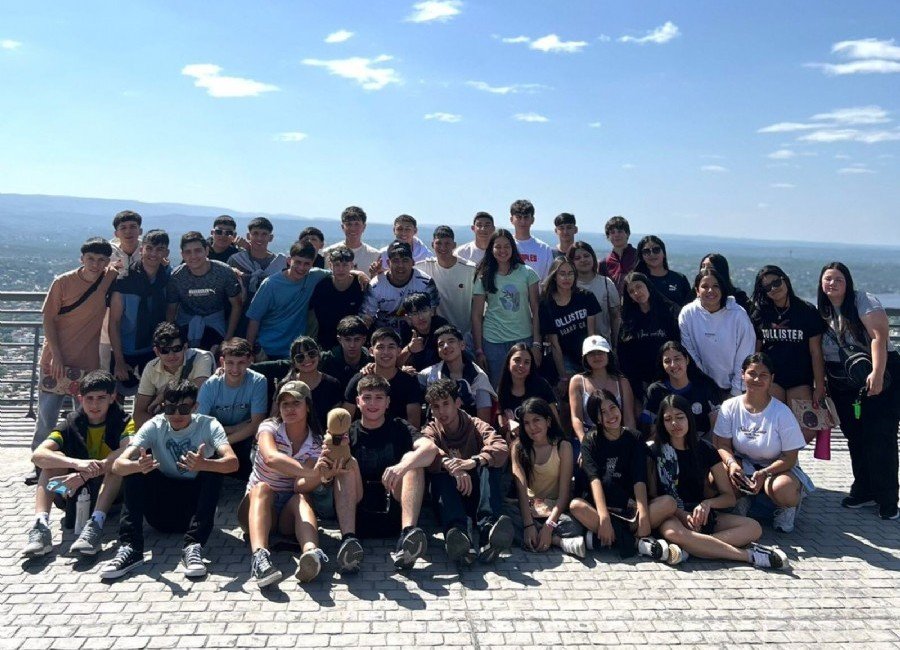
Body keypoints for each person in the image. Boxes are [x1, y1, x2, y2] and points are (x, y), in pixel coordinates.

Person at [101, 380, 238, 580]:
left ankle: (193, 546)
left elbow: (233, 463)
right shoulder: (154, 425)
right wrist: (138, 466)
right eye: (171, 409)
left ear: (195, 407)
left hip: (193, 510)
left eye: (184, 409)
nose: (176, 415)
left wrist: (204, 464)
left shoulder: (209, 424)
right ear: (163, 407)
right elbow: (118, 465)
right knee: (134, 469)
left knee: (214, 468)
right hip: (160, 511)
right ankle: (131, 548)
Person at [649, 395, 788, 569]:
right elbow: (653, 496)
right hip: (672, 515)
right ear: (662, 423)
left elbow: (729, 497)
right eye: (668, 419)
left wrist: (707, 504)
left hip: (701, 514)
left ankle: (693, 547)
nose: (675, 424)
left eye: (680, 417)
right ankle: (749, 556)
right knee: (673, 533)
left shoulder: (705, 449)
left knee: (753, 528)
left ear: (689, 418)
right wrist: (681, 514)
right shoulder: (654, 451)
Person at [329, 375, 438, 573]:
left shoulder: (400, 427)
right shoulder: (348, 432)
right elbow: (326, 467)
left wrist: (402, 466)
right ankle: (348, 541)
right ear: (358, 402)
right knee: (347, 463)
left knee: (413, 461)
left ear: (387, 402)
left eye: (379, 398)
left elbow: (430, 449)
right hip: (358, 516)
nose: (372, 403)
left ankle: (408, 538)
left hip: (395, 513)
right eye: (367, 397)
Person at [818, 262, 900, 520]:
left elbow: (879, 337)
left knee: (880, 436)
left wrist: (877, 373)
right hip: (843, 380)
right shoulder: (821, 311)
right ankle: (864, 490)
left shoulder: (862, 300)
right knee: (855, 436)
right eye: (828, 279)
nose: (832, 283)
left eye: (838, 279)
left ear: (848, 282)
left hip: (880, 373)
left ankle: (888, 499)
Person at [24, 371, 132, 557]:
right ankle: (41, 526)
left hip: (111, 496)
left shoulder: (125, 421)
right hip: (70, 491)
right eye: (89, 398)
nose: (94, 405)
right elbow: (38, 455)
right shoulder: (71, 422)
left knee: (117, 464)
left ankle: (96, 525)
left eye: (101, 398)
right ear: (81, 399)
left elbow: (130, 450)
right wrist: (77, 464)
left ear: (112, 397)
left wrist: (84, 474)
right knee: (52, 460)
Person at [238, 381, 334, 587]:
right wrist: (311, 471)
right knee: (262, 488)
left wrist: (322, 475)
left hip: (285, 517)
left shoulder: (317, 442)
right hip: (256, 506)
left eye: (296, 403)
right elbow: (271, 457)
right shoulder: (269, 427)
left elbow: (300, 485)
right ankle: (260, 558)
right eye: (285, 404)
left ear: (307, 406)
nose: (290, 409)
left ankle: (311, 554)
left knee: (302, 497)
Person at [568, 390, 679, 561]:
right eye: (603, 412)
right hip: (600, 506)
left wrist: (643, 514)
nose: (610, 415)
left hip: (630, 508)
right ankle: (636, 543)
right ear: (597, 419)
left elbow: (639, 478)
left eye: (613, 408)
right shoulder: (591, 441)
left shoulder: (634, 437)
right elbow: (594, 480)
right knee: (576, 506)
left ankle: (602, 539)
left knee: (669, 504)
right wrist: (604, 517)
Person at [31, 237, 117, 454]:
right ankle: (40, 462)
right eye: (90, 258)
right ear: (82, 258)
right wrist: (56, 357)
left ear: (107, 262)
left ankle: (79, 460)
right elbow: (48, 320)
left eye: (101, 260)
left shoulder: (108, 277)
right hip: (55, 361)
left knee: (85, 418)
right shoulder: (62, 282)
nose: (95, 264)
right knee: (47, 418)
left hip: (87, 363)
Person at [713, 353, 813, 534]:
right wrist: (732, 464)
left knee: (783, 489)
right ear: (742, 374)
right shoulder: (729, 406)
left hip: (776, 468)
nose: (757, 379)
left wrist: (765, 473)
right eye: (752, 373)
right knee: (715, 479)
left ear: (772, 379)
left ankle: (787, 507)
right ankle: (743, 500)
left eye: (763, 375)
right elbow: (722, 444)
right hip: (743, 464)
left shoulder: (782, 412)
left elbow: (790, 458)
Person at [422, 379, 513, 563]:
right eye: (436, 407)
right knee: (440, 475)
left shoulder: (476, 424)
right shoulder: (431, 430)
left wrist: (472, 462)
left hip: (477, 496)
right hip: (449, 499)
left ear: (457, 402)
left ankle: (488, 532)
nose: (442, 411)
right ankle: (459, 537)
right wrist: (451, 466)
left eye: (446, 404)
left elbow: (501, 447)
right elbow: (425, 449)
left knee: (489, 465)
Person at [751, 265, 826, 442]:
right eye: (767, 287)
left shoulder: (806, 311)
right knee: (771, 427)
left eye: (776, 282)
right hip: (771, 379)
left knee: (807, 429)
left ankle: (789, 456)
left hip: (800, 379)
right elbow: (756, 351)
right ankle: (778, 458)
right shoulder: (761, 313)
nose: (773, 288)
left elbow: (816, 352)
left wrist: (820, 386)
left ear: (785, 280)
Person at [510, 397, 585, 558]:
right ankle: (558, 541)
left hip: (553, 510)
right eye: (527, 423)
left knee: (574, 525)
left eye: (536, 420)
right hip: (527, 509)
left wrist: (549, 526)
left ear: (548, 421)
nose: (532, 427)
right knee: (504, 515)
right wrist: (528, 524)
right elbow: (521, 489)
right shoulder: (517, 447)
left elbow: (564, 495)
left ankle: (538, 538)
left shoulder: (563, 447)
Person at [472, 229, 541, 388]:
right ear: (491, 249)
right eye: (498, 246)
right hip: (493, 341)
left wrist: (537, 343)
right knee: (498, 387)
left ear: (513, 248)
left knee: (525, 386)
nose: (502, 250)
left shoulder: (527, 273)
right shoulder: (484, 276)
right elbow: (476, 315)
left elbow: (536, 310)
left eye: (506, 246)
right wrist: (479, 350)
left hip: (523, 338)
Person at [108, 230, 171, 394]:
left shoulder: (168, 281)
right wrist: (119, 361)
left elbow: (170, 316)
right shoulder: (123, 281)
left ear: (166, 253)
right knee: (116, 396)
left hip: (155, 349)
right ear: (142, 249)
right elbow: (114, 322)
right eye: (149, 248)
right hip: (125, 349)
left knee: (152, 397)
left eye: (159, 249)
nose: (153, 254)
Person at [197, 337, 268, 481]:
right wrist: (232, 429)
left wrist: (224, 442)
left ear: (249, 361)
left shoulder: (258, 381)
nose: (235, 369)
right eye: (230, 363)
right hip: (216, 436)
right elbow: (199, 424)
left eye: (241, 363)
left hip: (243, 437)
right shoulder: (210, 385)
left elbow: (256, 424)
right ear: (222, 362)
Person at [679, 268, 756, 398]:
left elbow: (745, 354)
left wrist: (736, 390)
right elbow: (689, 351)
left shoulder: (738, 314)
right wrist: (705, 382)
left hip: (735, 388)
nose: (710, 290)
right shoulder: (688, 314)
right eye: (705, 286)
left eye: (716, 286)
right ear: (697, 291)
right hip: (703, 386)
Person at [245, 242, 330, 360]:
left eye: (306, 264)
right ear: (289, 260)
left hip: (295, 352)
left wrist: (356, 273)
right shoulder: (270, 285)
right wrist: (249, 353)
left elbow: (340, 274)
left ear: (312, 264)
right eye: (298, 262)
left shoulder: (314, 276)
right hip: (267, 350)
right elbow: (254, 319)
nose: (301, 268)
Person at [166, 231, 243, 350]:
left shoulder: (224, 272)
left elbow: (237, 305)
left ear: (206, 251)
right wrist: (171, 339)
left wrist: (228, 339)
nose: (193, 256)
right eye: (188, 252)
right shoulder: (177, 276)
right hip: (186, 320)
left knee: (213, 351)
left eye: (198, 250)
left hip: (215, 320)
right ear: (182, 255)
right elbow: (171, 308)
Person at [133, 322, 215, 429]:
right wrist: (164, 432)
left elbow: (200, 389)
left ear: (185, 347)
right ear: (157, 352)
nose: (171, 355)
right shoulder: (151, 368)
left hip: (197, 423)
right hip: (164, 427)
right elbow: (139, 413)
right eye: (165, 350)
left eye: (176, 349)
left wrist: (162, 396)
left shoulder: (201, 357)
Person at [617, 272, 680, 402]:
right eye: (631, 291)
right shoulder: (628, 320)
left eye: (639, 287)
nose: (636, 292)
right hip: (642, 383)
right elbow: (624, 355)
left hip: (671, 376)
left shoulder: (670, 311)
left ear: (648, 286)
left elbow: (680, 344)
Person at [539, 256, 601, 389]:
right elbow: (554, 344)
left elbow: (591, 334)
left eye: (570, 273)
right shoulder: (546, 305)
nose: (566, 278)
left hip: (586, 353)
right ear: (554, 277)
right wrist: (563, 376)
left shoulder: (586, 297)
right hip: (564, 357)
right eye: (562, 274)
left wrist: (592, 364)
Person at [343, 328, 423, 428]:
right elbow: (344, 419)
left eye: (391, 347)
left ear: (398, 351)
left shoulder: (409, 382)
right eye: (380, 347)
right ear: (371, 351)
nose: (386, 352)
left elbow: (414, 423)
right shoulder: (359, 380)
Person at [642, 341, 721, 440]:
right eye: (667, 361)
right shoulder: (655, 390)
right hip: (668, 444)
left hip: (703, 442)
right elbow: (650, 428)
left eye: (677, 359)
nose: (673, 365)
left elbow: (717, 424)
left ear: (687, 360)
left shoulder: (704, 386)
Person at [418, 325, 496, 423]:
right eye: (441, 344)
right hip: (437, 429)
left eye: (451, 341)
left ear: (462, 345)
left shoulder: (479, 377)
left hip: (470, 429)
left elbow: (484, 421)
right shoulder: (430, 374)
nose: (446, 346)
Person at [264, 336, 345, 428]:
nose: (307, 359)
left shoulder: (333, 385)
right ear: (294, 362)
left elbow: (336, 421)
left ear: (319, 355)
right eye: (300, 357)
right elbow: (274, 418)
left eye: (312, 354)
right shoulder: (285, 385)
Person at [361, 241, 439, 332]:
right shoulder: (375, 285)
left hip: (418, 333)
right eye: (395, 261)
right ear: (388, 263)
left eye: (405, 260)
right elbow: (366, 318)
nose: (400, 265)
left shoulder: (425, 282)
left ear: (413, 262)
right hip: (385, 335)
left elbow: (432, 314)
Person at [569, 336, 636, 442]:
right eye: (591, 353)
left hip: (617, 436)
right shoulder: (577, 381)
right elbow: (576, 418)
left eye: (600, 352)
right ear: (585, 358)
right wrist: (584, 441)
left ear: (608, 354)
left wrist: (629, 442)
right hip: (590, 437)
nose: (596, 356)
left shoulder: (622, 382)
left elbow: (629, 418)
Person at [415, 226, 477, 337]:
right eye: (438, 243)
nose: (443, 247)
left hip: (464, 333)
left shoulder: (470, 269)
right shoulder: (423, 267)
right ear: (432, 245)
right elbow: (401, 271)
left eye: (447, 243)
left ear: (454, 245)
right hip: (436, 334)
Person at [310, 245, 368, 350]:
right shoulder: (322, 287)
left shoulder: (360, 285)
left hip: (354, 342)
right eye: (336, 265)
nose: (341, 269)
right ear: (330, 266)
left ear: (352, 265)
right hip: (327, 342)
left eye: (345, 265)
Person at [497, 343, 559, 436]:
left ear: (531, 367)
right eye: (517, 360)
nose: (521, 365)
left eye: (526, 362)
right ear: (508, 363)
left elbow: (555, 420)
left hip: (542, 438)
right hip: (515, 440)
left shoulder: (541, 386)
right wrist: (509, 427)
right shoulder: (502, 389)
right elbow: (502, 427)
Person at [227, 216, 288, 306]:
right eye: (255, 233)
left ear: (270, 237)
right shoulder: (236, 260)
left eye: (264, 234)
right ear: (248, 236)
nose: (259, 238)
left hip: (271, 310)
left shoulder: (280, 263)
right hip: (240, 309)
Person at [569, 241, 620, 343]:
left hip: (602, 344)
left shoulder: (606, 283)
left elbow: (615, 317)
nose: (583, 260)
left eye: (586, 256)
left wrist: (615, 344)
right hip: (573, 346)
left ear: (593, 257)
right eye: (577, 258)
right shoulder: (568, 285)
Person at [634, 235, 692, 307]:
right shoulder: (638, 281)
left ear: (664, 253)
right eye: (646, 251)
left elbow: (690, 306)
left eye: (656, 250)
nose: (652, 254)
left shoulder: (680, 279)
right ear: (642, 256)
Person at [397, 292, 450, 371]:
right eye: (415, 313)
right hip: (415, 373)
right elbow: (397, 363)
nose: (421, 317)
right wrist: (409, 349)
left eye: (424, 311)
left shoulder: (441, 325)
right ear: (408, 318)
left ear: (431, 311)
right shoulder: (405, 328)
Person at [321, 205, 380, 274]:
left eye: (357, 224)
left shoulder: (374, 255)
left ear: (364, 227)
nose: (353, 228)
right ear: (342, 227)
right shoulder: (328, 253)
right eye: (349, 224)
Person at [319, 316, 374, 388]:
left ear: (364, 340)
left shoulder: (372, 360)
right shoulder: (325, 360)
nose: (352, 345)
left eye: (357, 339)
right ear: (339, 340)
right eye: (347, 340)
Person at [508, 199, 553, 280]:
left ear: (532, 220)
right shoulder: (505, 246)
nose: (523, 221)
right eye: (519, 217)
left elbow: (548, 279)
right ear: (511, 220)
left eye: (526, 217)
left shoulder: (544, 249)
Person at [597, 216, 638, 294]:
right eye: (612, 232)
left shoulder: (638, 257)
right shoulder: (604, 264)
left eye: (620, 231)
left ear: (627, 234)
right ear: (608, 237)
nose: (616, 235)